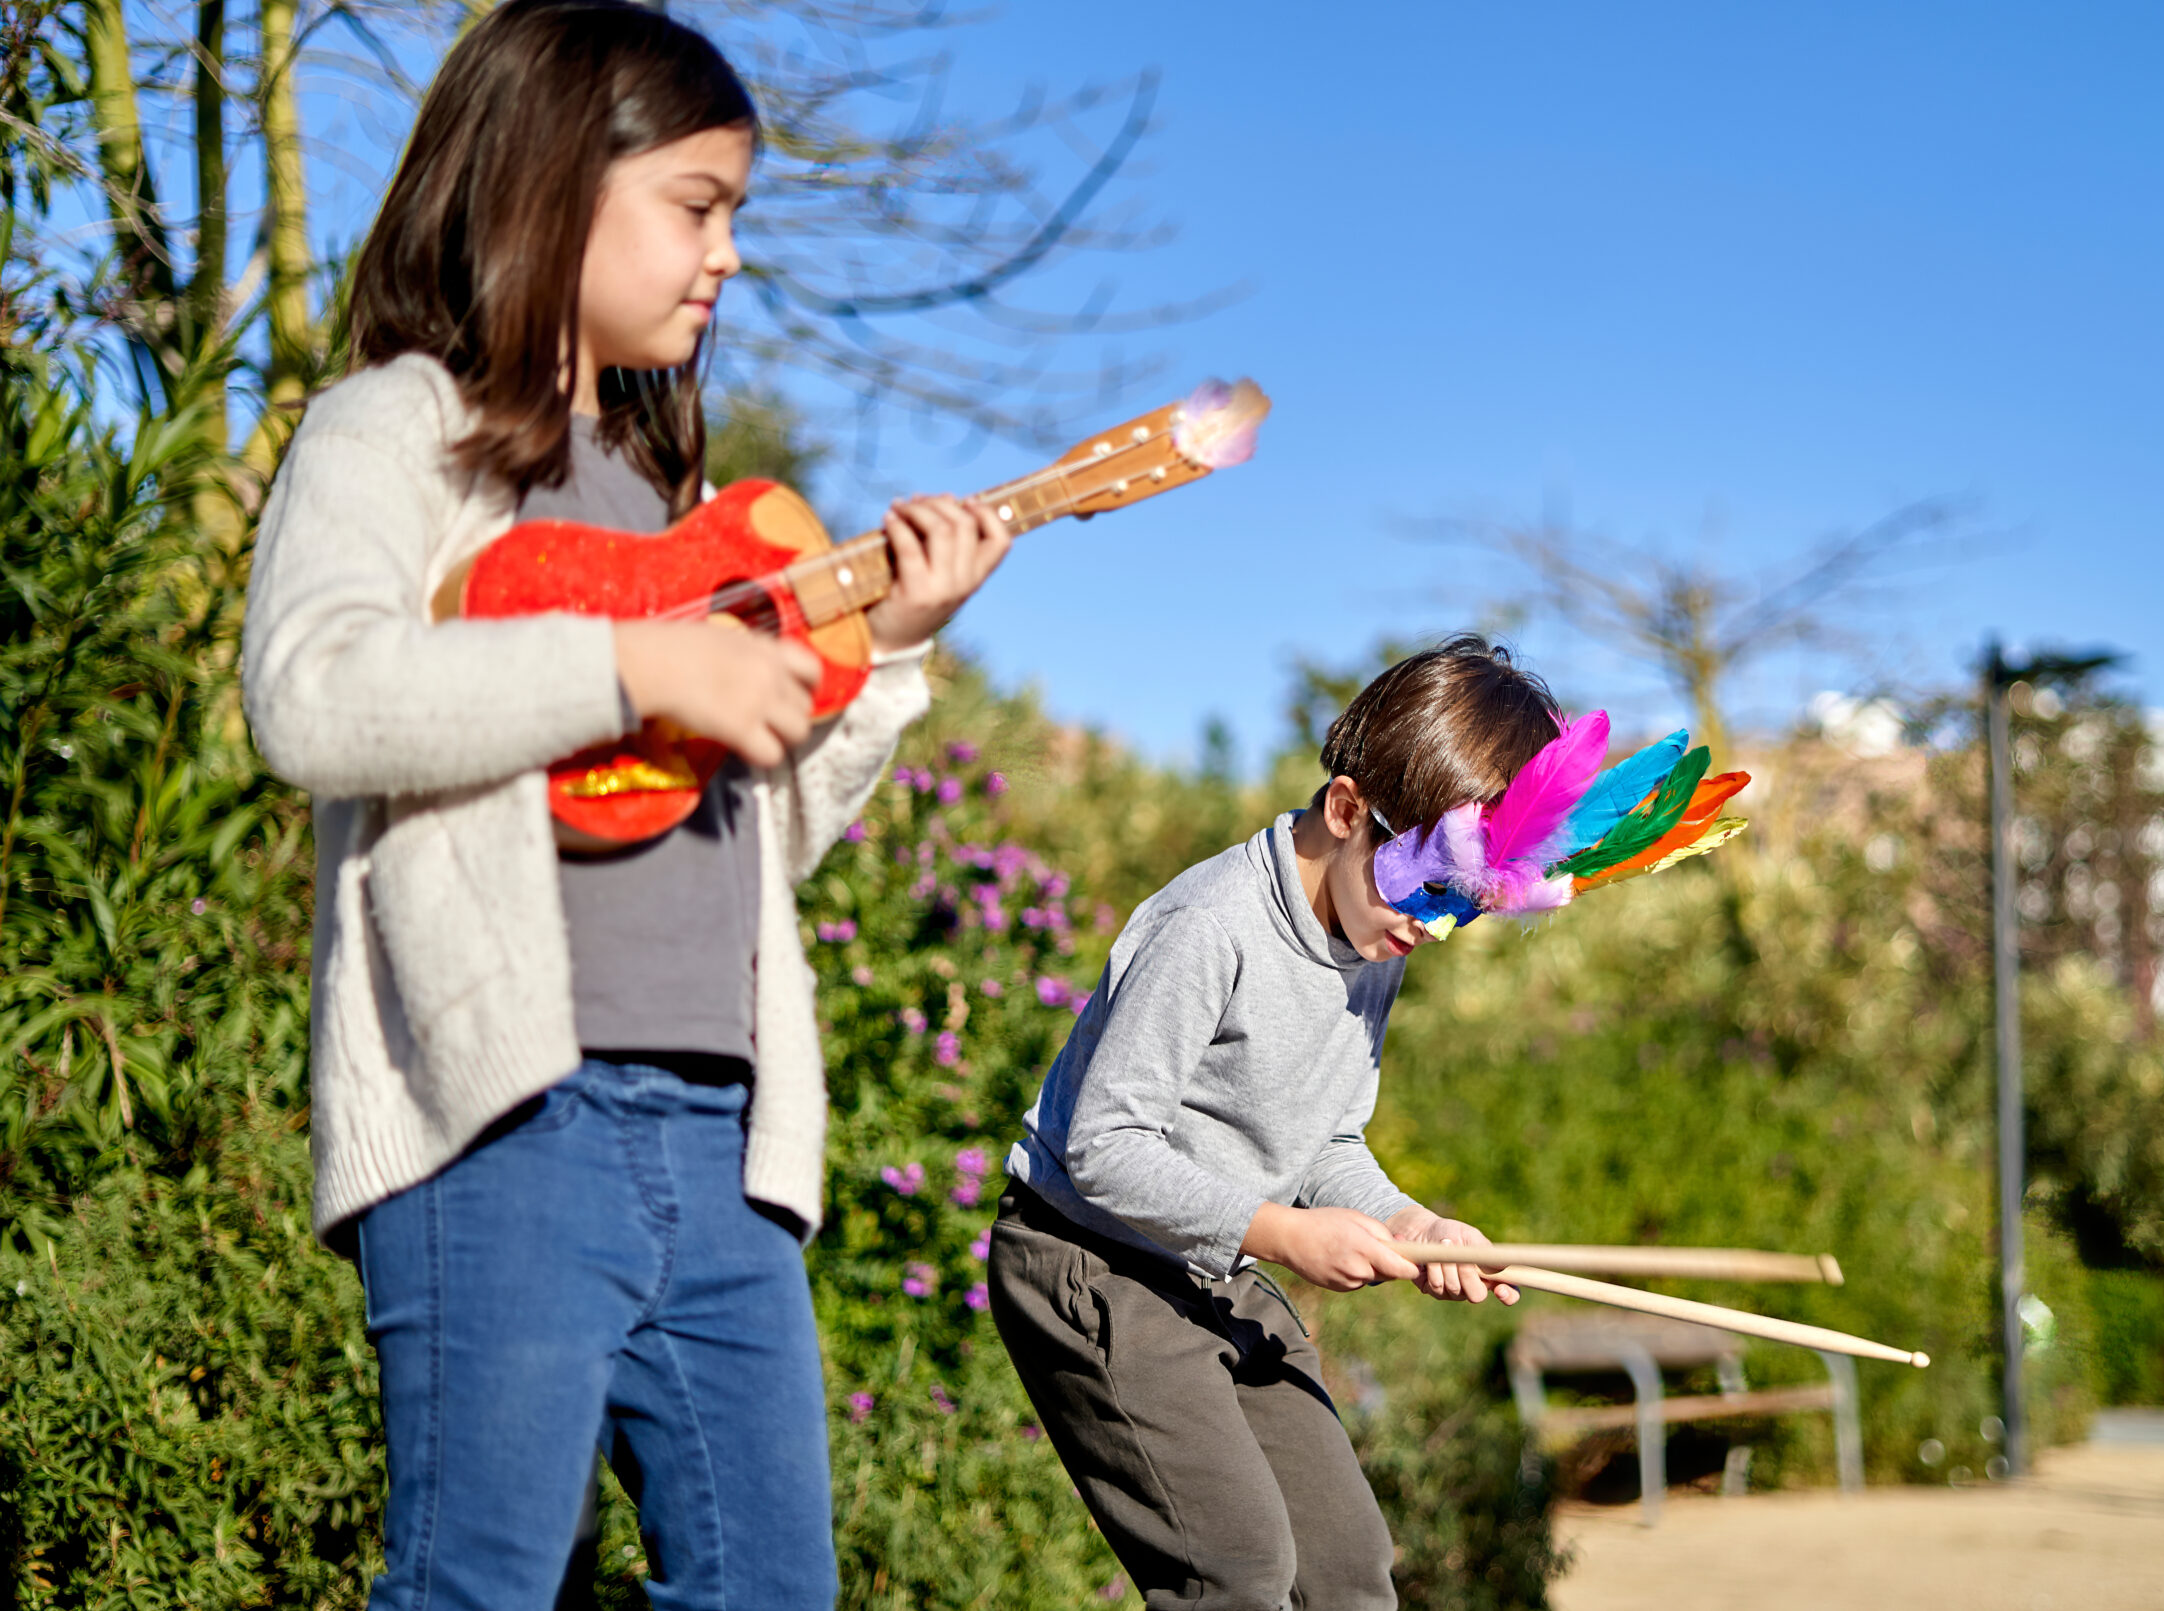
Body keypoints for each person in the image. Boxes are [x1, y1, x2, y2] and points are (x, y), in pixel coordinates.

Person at [239, 3, 1012, 1604]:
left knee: (774, 1591)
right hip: (506, 1118)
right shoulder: (399, 431)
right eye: (699, 205)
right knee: (479, 1584)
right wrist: (635, 667)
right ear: (546, 184)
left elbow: (751, 847)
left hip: (724, 1141)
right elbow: (309, 693)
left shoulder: (671, 504)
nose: (727, 254)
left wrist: (895, 661)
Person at [990, 636, 1560, 1611]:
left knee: (1347, 1572)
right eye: (1428, 883)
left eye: (1467, 903)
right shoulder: (1213, 927)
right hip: (1090, 1259)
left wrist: (1410, 1225)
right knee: (1236, 1575)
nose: (1434, 923)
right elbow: (1101, 1149)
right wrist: (1285, 1234)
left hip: (1215, 1266)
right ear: (1346, 810)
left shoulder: (1374, 937)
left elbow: (1328, 1142)